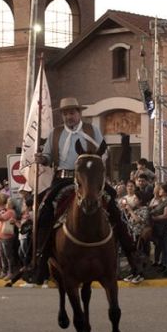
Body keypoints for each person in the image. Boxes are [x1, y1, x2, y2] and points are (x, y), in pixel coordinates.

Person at [29, 97, 108, 284]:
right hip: (63, 179)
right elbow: (48, 157)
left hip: (88, 177)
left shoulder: (91, 130)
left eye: (72, 112)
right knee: (45, 210)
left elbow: (104, 151)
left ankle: (129, 253)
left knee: (113, 204)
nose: (69, 116)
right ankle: (39, 258)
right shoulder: (55, 134)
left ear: (79, 113)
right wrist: (42, 159)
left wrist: (96, 165)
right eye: (65, 113)